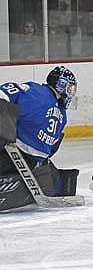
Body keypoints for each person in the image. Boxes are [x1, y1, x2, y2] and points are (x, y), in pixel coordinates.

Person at [0, 66, 79, 211]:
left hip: (26, 162)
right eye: (70, 87)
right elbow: (4, 92)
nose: (71, 92)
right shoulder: (37, 92)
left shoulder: (62, 114)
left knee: (61, 183)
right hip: (14, 155)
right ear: (61, 84)